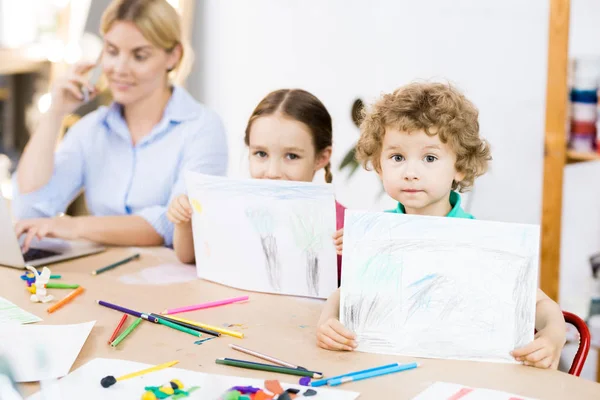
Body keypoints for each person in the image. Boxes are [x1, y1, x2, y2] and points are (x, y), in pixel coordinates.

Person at [318, 82, 567, 370]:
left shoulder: (479, 240)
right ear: (379, 164)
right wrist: (328, 321)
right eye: (397, 157)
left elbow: (539, 306)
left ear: (459, 166)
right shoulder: (376, 233)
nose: (411, 172)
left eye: (430, 158)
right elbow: (346, 294)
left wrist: (552, 336)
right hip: (385, 369)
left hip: (461, 374)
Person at [12, 0, 227, 251]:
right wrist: (55, 113)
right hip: (103, 275)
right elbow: (30, 208)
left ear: (173, 56)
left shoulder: (202, 127)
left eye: (139, 56)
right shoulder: (92, 129)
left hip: (169, 280)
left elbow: (170, 224)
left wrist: (75, 227)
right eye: (112, 51)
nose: (119, 69)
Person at [168, 89, 345, 283]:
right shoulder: (233, 208)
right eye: (261, 154)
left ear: (321, 158)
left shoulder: (341, 226)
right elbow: (189, 258)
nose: (272, 172)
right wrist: (183, 222)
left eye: (291, 156)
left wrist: (356, 251)